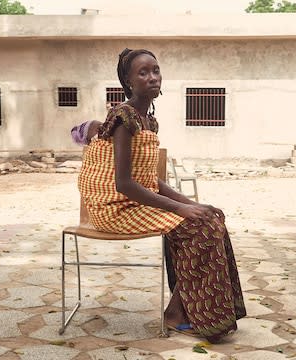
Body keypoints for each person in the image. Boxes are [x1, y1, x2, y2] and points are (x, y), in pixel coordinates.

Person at [76, 48, 246, 343]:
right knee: (199, 228)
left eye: (155, 70)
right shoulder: (123, 117)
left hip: (136, 202)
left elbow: (151, 180)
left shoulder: (149, 121)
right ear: (128, 82)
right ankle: (176, 314)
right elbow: (125, 184)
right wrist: (181, 211)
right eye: (143, 73)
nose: (152, 77)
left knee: (210, 218)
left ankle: (183, 311)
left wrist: (194, 204)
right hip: (114, 208)